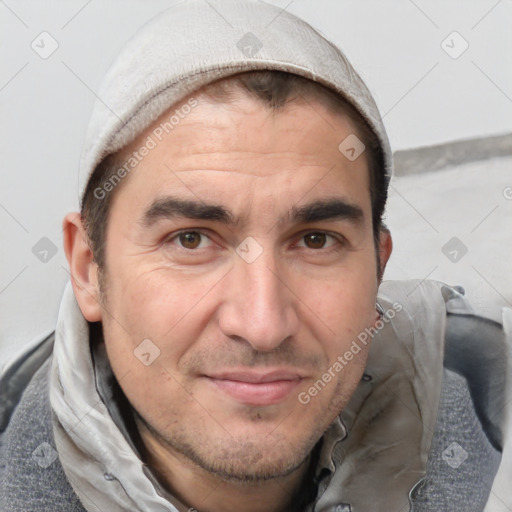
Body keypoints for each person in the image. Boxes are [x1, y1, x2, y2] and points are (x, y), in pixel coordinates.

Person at [1, 1, 511, 511]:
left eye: (315, 240)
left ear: (379, 268)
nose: (263, 325)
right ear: (89, 270)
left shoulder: (475, 390)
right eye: (192, 240)